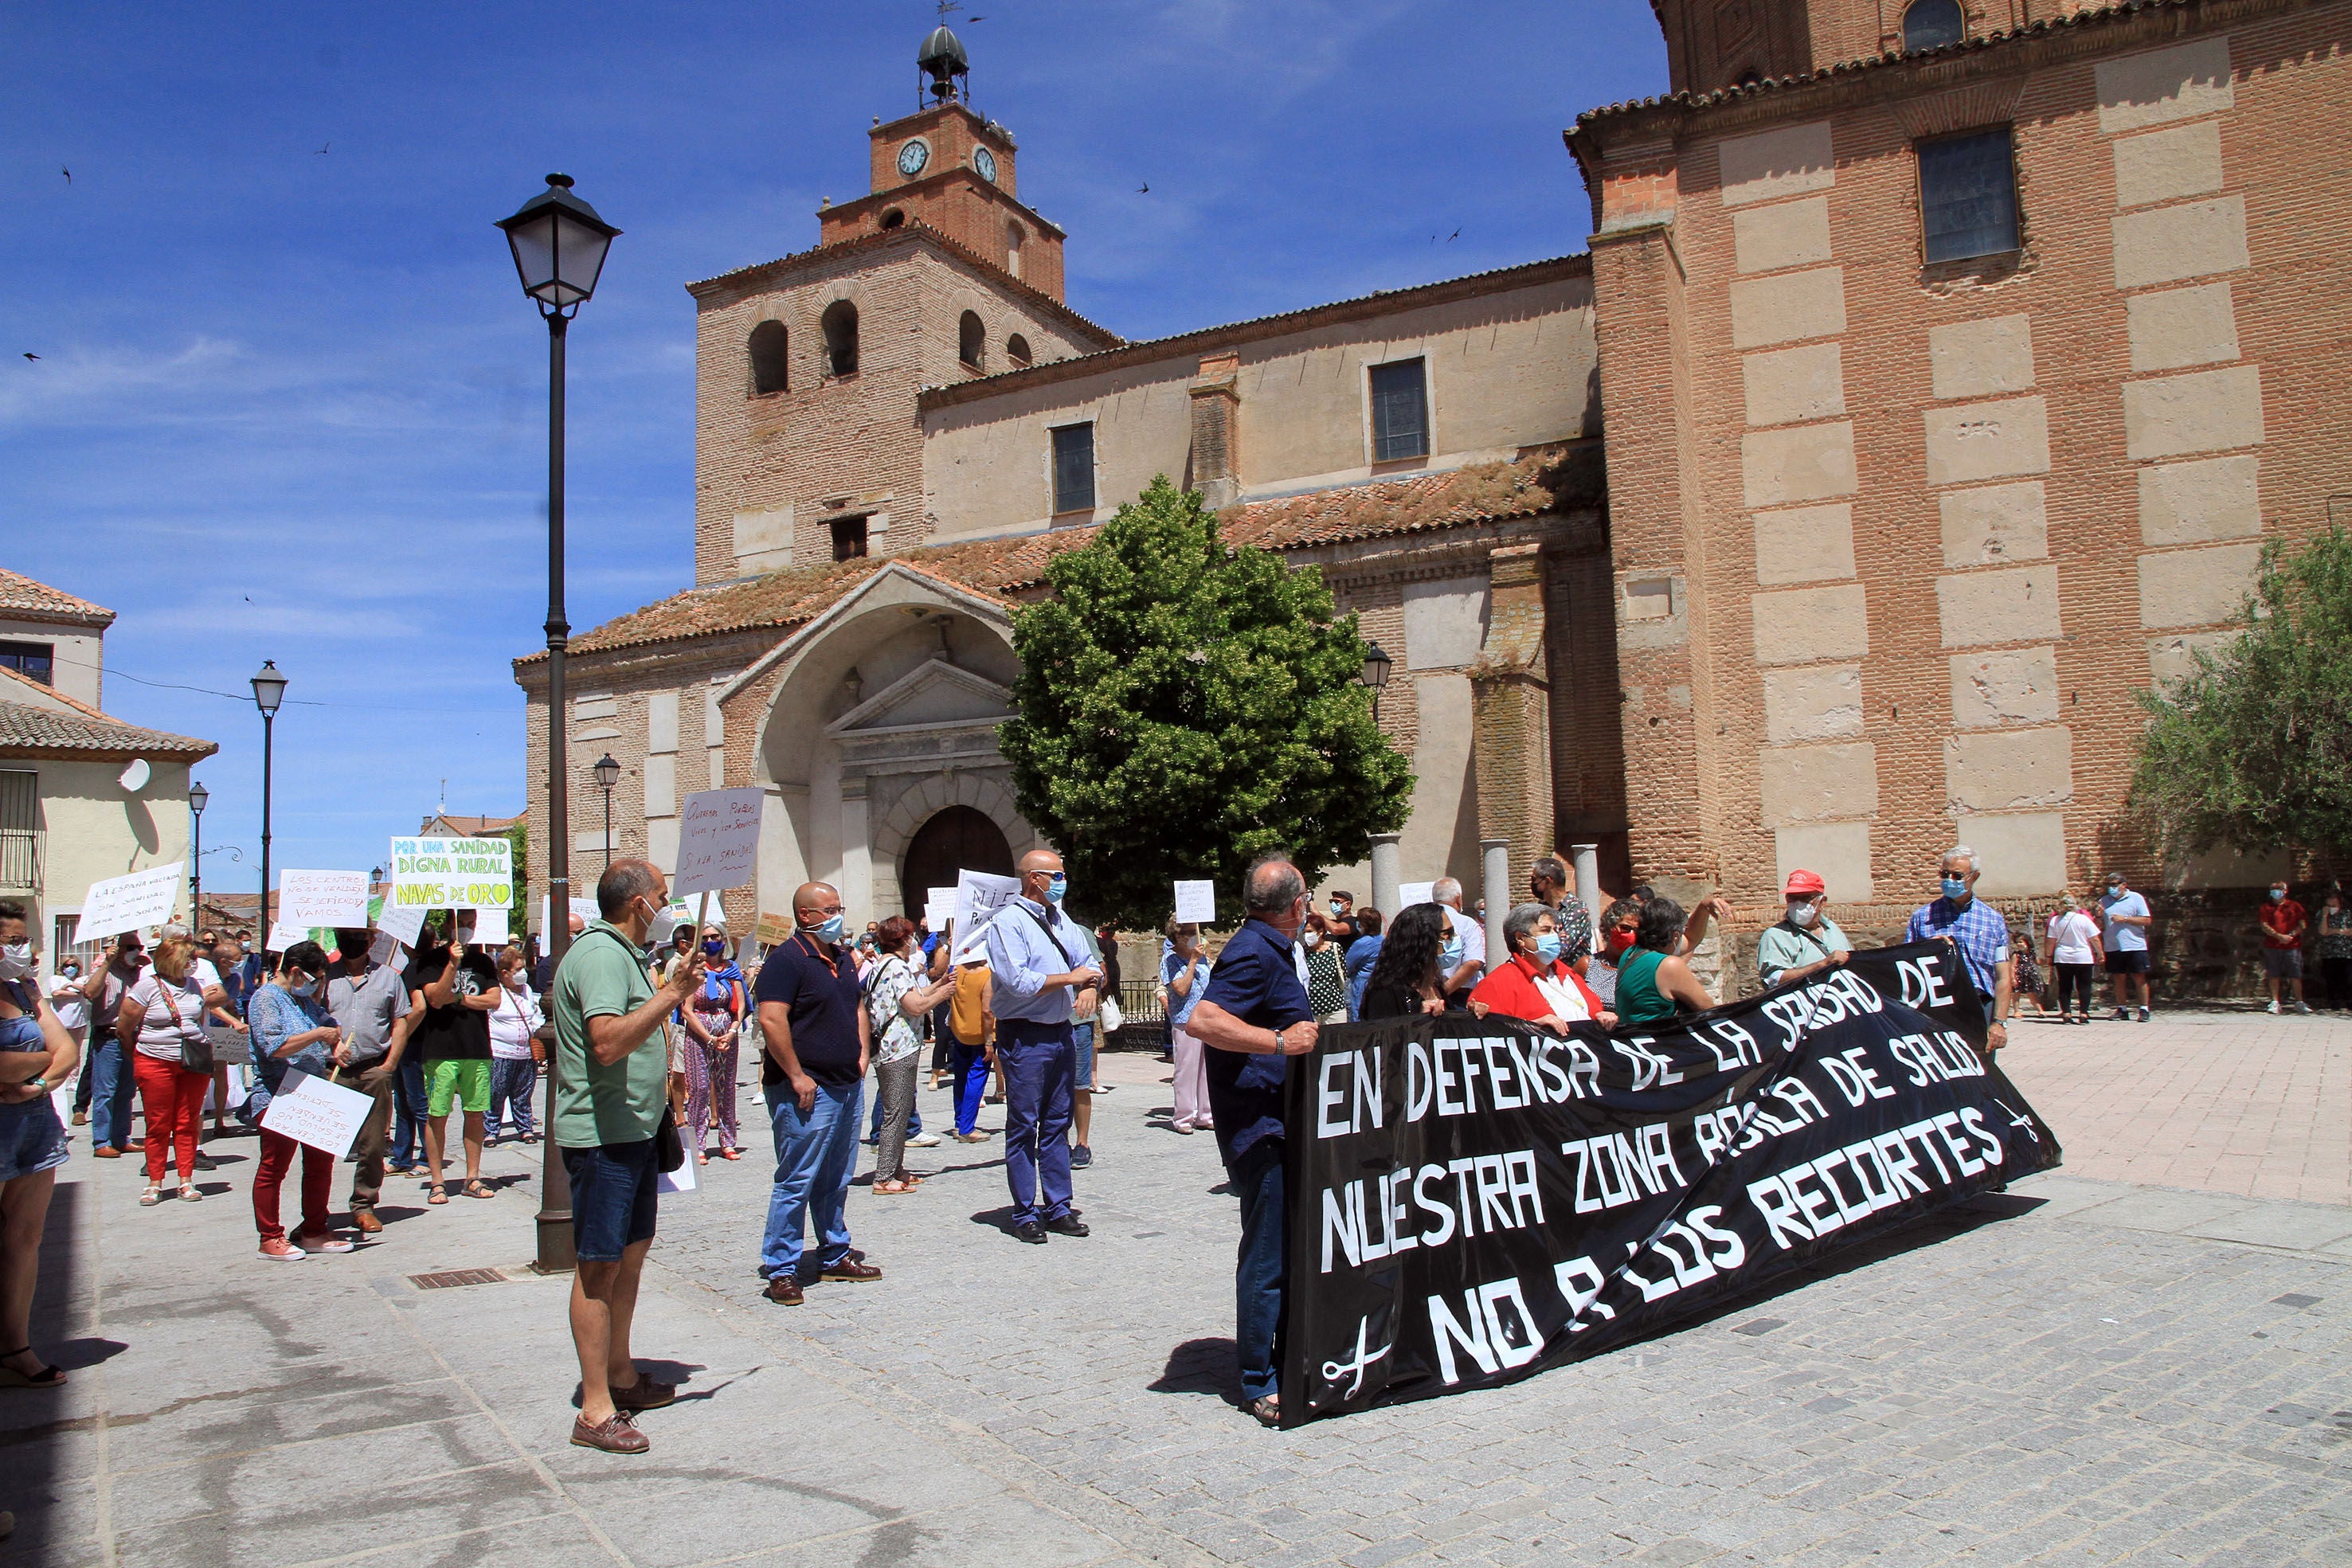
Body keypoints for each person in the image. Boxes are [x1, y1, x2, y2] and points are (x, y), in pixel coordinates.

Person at [550, 858, 703, 1454]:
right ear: (637, 903)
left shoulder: (627, 955)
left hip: (635, 1131)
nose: (666, 904)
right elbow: (608, 1041)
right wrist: (670, 994)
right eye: (661, 895)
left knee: (628, 1256)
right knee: (598, 1264)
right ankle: (594, 1409)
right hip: (603, 1135)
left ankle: (620, 1374)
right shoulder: (600, 955)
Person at [1184, 858, 1318, 1427]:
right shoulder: (1251, 950)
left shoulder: (1273, 947)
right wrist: (1278, 1042)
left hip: (1281, 1120)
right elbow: (1204, 1020)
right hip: (1259, 1126)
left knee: (1285, 1247)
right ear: (1294, 906)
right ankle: (1258, 1377)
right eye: (1307, 897)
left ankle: (1285, 1355)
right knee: (1266, 1254)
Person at [755, 881, 883, 1301]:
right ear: (806, 915)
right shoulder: (787, 960)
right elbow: (772, 1019)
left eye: (839, 907)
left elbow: (857, 1005)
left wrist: (862, 1053)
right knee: (797, 1178)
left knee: (836, 1177)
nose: (837, 915)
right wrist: (795, 1074)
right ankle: (782, 1266)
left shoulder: (843, 957)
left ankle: (834, 1253)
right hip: (807, 1089)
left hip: (846, 1083)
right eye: (830, 909)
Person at [983, 850, 1100, 1244]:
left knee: (1056, 1123)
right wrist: (1073, 976)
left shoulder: (1061, 919)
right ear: (1035, 878)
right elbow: (1017, 980)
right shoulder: (1007, 923)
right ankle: (1025, 1210)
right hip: (1024, 1035)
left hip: (1060, 1033)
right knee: (1023, 1125)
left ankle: (1059, 1206)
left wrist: (1087, 984)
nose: (1063, 880)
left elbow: (1091, 963)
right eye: (1058, 874)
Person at [0, 901, 76, 1389]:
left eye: (21, 939)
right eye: (8, 939)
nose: (19, 948)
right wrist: (41, 1063)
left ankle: (15, 1346)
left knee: (24, 1242)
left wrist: (38, 1083)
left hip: (33, 1123)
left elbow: (65, 1052)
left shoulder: (25, 991)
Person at [247, 941, 352, 1260]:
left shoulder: (302, 1001)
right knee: (274, 1166)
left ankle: (314, 1229)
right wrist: (318, 1036)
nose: (317, 984)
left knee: (320, 1164)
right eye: (314, 977)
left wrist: (334, 1043)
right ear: (295, 972)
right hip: (278, 1094)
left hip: (312, 1093)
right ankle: (270, 1235)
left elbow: (329, 1024)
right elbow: (274, 1046)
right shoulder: (266, 998)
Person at [406, 917, 501, 1204]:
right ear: (450, 925)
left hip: (477, 1048)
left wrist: (458, 998)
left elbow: (493, 1000)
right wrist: (451, 965)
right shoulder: (430, 961)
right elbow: (434, 998)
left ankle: (473, 1176)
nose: (470, 925)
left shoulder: (483, 961)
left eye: (473, 921)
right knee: (438, 1115)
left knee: (475, 1113)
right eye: (464, 921)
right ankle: (437, 1181)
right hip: (440, 1049)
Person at [327, 927, 413, 1235]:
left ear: (372, 942)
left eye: (358, 937)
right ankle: (315, 1209)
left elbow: (400, 1020)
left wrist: (389, 1065)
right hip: (332, 1071)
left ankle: (363, 1204)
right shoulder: (324, 976)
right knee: (323, 1145)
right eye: (345, 937)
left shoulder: (389, 977)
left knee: (373, 1144)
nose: (351, 943)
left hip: (373, 1069)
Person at [115, 934, 212, 1206]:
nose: (194, 963)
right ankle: (155, 1181)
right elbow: (124, 1029)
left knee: (187, 1122)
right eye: (189, 959)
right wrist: (138, 1057)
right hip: (155, 1061)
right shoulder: (147, 987)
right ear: (172, 961)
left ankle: (186, 1179)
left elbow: (198, 1019)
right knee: (158, 1123)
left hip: (193, 1062)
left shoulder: (194, 985)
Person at [862, 916, 953, 1195]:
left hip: (891, 1046)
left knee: (899, 1109)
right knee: (897, 1112)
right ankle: (885, 1176)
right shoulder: (898, 967)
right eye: (911, 936)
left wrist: (939, 984)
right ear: (903, 939)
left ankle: (897, 1168)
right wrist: (944, 994)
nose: (915, 941)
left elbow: (914, 992)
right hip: (897, 1048)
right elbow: (914, 1005)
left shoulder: (886, 965)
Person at [1905, 846, 2014, 1055]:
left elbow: (2002, 976)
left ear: (1974, 877)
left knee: (1980, 1074)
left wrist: (1999, 1022)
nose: (1949, 880)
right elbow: (1907, 965)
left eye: (1957, 875)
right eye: (1945, 874)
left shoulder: (1992, 920)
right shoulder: (1922, 918)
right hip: (1936, 1009)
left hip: (1978, 1006)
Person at [1470, 904, 1614, 1030]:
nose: (1555, 936)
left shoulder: (1569, 975)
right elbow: (1490, 1034)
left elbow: (1593, 1011)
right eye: (1546, 930)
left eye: (1555, 930)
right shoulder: (1497, 983)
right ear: (1520, 938)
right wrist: (1532, 1026)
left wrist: (1603, 1016)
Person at [78, 932, 147, 1159]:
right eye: (129, 948)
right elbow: (90, 992)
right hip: (108, 1036)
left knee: (126, 1091)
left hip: (132, 1037)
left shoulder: (139, 974)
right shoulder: (106, 971)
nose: (135, 952)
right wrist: (107, 962)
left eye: (138, 947)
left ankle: (121, 1137)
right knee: (105, 1091)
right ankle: (102, 1141)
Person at [680, 925, 746, 1162]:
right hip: (700, 1036)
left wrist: (731, 1032)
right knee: (699, 1089)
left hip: (727, 1035)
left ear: (723, 939)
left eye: (714, 937)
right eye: (706, 938)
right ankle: (698, 1143)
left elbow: (740, 1006)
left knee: (726, 1087)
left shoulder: (731, 969)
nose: (710, 941)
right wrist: (708, 1039)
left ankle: (728, 1141)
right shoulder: (694, 970)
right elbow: (686, 1010)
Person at [1616, 897, 1719, 1025]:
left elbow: (1691, 939)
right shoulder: (1669, 966)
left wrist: (1703, 907)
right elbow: (1709, 1010)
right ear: (1675, 936)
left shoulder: (1630, 953)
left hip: (1633, 1039)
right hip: (1658, 1041)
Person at [487, 945, 546, 1145]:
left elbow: (534, 1015)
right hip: (501, 1052)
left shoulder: (527, 990)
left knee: (523, 1093)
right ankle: (491, 1131)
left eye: (523, 968)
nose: (522, 973)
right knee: (496, 1093)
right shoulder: (496, 992)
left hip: (526, 1053)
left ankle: (525, 1128)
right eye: (517, 970)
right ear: (504, 973)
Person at [1755, 870, 1852, 990]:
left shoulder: (1832, 928)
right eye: (1792, 898)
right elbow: (1773, 980)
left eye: (1805, 898)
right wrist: (1822, 965)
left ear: (1822, 903)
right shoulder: (1775, 936)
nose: (1797, 903)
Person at [1161, 920, 1214, 1133]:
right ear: (1178, 936)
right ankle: (1183, 1117)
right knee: (1186, 1070)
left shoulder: (1204, 960)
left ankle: (1206, 1114)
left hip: (1206, 1020)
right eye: (1190, 933)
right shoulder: (1170, 959)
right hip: (1185, 1020)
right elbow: (1181, 988)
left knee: (1206, 1070)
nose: (1196, 937)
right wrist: (1192, 961)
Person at [943, 929, 996, 1143]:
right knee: (976, 1078)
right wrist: (990, 1041)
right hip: (979, 1035)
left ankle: (959, 1122)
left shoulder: (956, 969)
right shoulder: (987, 975)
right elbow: (987, 1011)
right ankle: (967, 1127)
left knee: (961, 1077)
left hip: (959, 1030)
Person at [1359, 903, 1451, 1021]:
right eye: (1447, 933)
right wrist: (1420, 1021)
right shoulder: (1385, 993)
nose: (1452, 938)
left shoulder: (1433, 984)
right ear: (1423, 939)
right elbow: (1384, 1037)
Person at [1069, 918, 1109, 1170]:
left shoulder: (1080, 932)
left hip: (1078, 1020)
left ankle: (1082, 1144)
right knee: (1051, 1088)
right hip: (1046, 1020)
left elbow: (1101, 972)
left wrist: (1090, 985)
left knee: (1080, 1085)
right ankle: (1055, 1141)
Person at [2100, 872, 2154, 1023]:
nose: (2112, 888)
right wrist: (2098, 916)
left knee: (2139, 976)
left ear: (2124, 885)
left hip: (2134, 945)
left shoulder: (2136, 898)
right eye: (2109, 885)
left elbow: (2147, 920)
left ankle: (2144, 1009)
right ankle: (2122, 1009)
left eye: (2115, 884)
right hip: (2113, 946)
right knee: (2118, 978)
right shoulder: (2104, 901)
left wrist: (2125, 919)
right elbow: (2098, 925)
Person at [1528, 855, 1595, 968]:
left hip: (1573, 977)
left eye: (1534, 879)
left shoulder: (1576, 908)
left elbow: (1561, 949)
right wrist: (1555, 938)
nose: (1532, 883)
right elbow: (1526, 943)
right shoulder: (1540, 909)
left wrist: (1543, 940)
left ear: (1548, 881)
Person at [2259, 881, 2311, 1015]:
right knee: (2273, 974)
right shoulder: (2266, 907)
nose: (2276, 892)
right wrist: (2278, 936)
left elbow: (2303, 924)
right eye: (2274, 890)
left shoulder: (2295, 906)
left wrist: (2291, 935)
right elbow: (2264, 925)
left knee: (2295, 974)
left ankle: (2299, 1002)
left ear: (2285, 891)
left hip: (2292, 946)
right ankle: (2275, 1002)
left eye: (2279, 889)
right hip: (2273, 946)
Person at [1430, 878, 1485, 1008]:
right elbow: (1473, 962)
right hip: (1459, 996)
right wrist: (1444, 992)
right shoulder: (1467, 923)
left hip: (1429, 995)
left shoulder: (1423, 920)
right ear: (1458, 899)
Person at [1301, 913, 1348, 1026]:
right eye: (1304, 932)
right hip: (1312, 1011)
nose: (1306, 935)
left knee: (1336, 1041)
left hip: (1335, 1008)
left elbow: (1343, 973)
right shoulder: (1302, 952)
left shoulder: (1335, 949)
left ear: (1321, 931)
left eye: (1309, 931)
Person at [1343, 908, 1383, 1020]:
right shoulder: (1382, 939)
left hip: (1362, 984)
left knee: (1358, 1016)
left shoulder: (1362, 943)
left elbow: (1346, 965)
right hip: (1378, 982)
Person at [2318, 886, 2352, 1014]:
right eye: (2329, 898)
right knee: (2332, 979)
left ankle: (2349, 1002)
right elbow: (2323, 931)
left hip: (2346, 952)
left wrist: (2334, 931)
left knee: (2348, 978)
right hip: (2329, 952)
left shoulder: (2347, 913)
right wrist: (2325, 916)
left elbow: (2350, 931)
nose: (2331, 901)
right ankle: (2334, 1003)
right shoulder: (2322, 913)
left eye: (2333, 898)